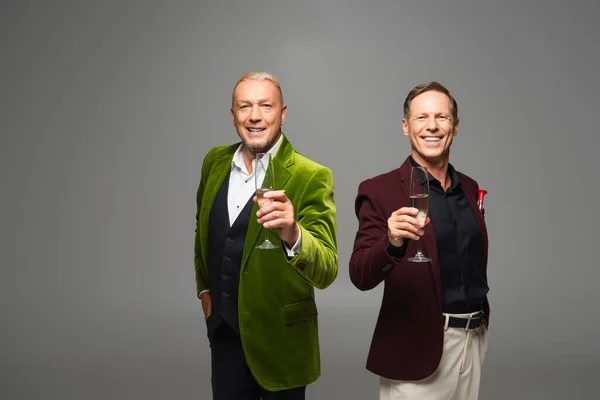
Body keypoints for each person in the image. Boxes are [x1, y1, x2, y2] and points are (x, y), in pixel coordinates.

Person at [194, 72, 338, 400]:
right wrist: (204, 290)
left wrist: (293, 233)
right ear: (233, 115)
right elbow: (201, 231)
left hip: (283, 345)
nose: (255, 115)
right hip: (225, 339)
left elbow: (327, 268)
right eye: (245, 106)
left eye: (265, 106)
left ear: (282, 113)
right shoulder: (214, 162)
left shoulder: (310, 175)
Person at [349, 82, 490, 399]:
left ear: (454, 126)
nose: (432, 126)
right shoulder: (379, 190)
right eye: (421, 117)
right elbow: (359, 274)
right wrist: (391, 242)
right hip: (415, 345)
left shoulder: (469, 187)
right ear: (405, 126)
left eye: (441, 117)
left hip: (472, 342)